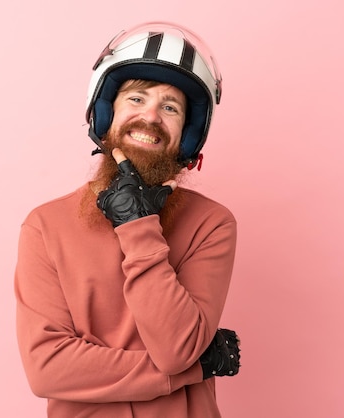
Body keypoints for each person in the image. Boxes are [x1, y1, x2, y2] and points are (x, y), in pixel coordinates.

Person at [14, 21, 239, 418]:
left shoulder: (212, 224)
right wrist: (191, 371)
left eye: (170, 107)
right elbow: (47, 370)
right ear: (105, 115)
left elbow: (177, 350)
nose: (150, 116)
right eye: (136, 99)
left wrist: (138, 227)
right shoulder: (45, 226)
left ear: (187, 134)